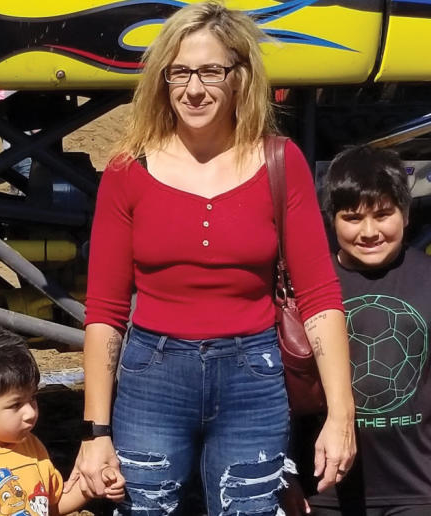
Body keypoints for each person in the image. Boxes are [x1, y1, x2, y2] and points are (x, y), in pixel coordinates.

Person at [68, 2, 357, 514]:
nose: (194, 88)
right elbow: (105, 311)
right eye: (179, 72)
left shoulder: (279, 160)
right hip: (151, 378)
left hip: (254, 378)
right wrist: (96, 432)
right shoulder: (127, 169)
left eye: (210, 71)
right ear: (161, 79)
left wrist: (340, 414)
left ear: (240, 77)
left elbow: (319, 296)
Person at [292, 144, 431, 515]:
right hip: (324, 489)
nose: (369, 231)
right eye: (352, 218)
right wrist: (289, 478)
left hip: (417, 490)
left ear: (405, 213)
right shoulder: (309, 282)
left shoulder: (427, 278)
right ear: (331, 219)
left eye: (383, 214)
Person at [0, 326, 125, 516]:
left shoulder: (33, 448)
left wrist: (93, 485)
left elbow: (52, 506)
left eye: (32, 398)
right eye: (15, 405)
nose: (30, 413)